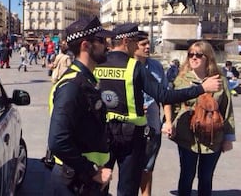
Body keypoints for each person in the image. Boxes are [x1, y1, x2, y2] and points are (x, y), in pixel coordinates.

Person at [94, 23, 222, 196]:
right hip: (131, 137)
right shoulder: (134, 67)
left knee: (100, 182)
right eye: (134, 42)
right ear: (125, 42)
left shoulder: (97, 64)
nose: (136, 46)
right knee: (127, 187)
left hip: (102, 134)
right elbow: (164, 96)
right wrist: (201, 88)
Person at [47, 16, 114, 195]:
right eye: (101, 41)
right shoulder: (72, 86)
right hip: (76, 181)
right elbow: (57, 141)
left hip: (85, 177)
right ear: (85, 45)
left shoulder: (86, 80)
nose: (107, 45)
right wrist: (91, 170)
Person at [163, 41, 236, 196]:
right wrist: (170, 123)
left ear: (208, 58)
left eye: (198, 55)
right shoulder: (181, 79)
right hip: (187, 137)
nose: (193, 58)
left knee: (206, 178)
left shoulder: (220, 80)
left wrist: (228, 138)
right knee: (186, 175)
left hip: (212, 137)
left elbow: (227, 109)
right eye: (190, 54)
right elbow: (171, 103)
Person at [133, 31, 173, 196]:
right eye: (143, 44)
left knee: (147, 167)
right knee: (128, 167)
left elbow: (165, 95)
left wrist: (168, 121)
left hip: (152, 124)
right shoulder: (125, 65)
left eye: (148, 43)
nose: (148, 47)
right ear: (132, 45)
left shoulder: (156, 66)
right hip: (129, 125)